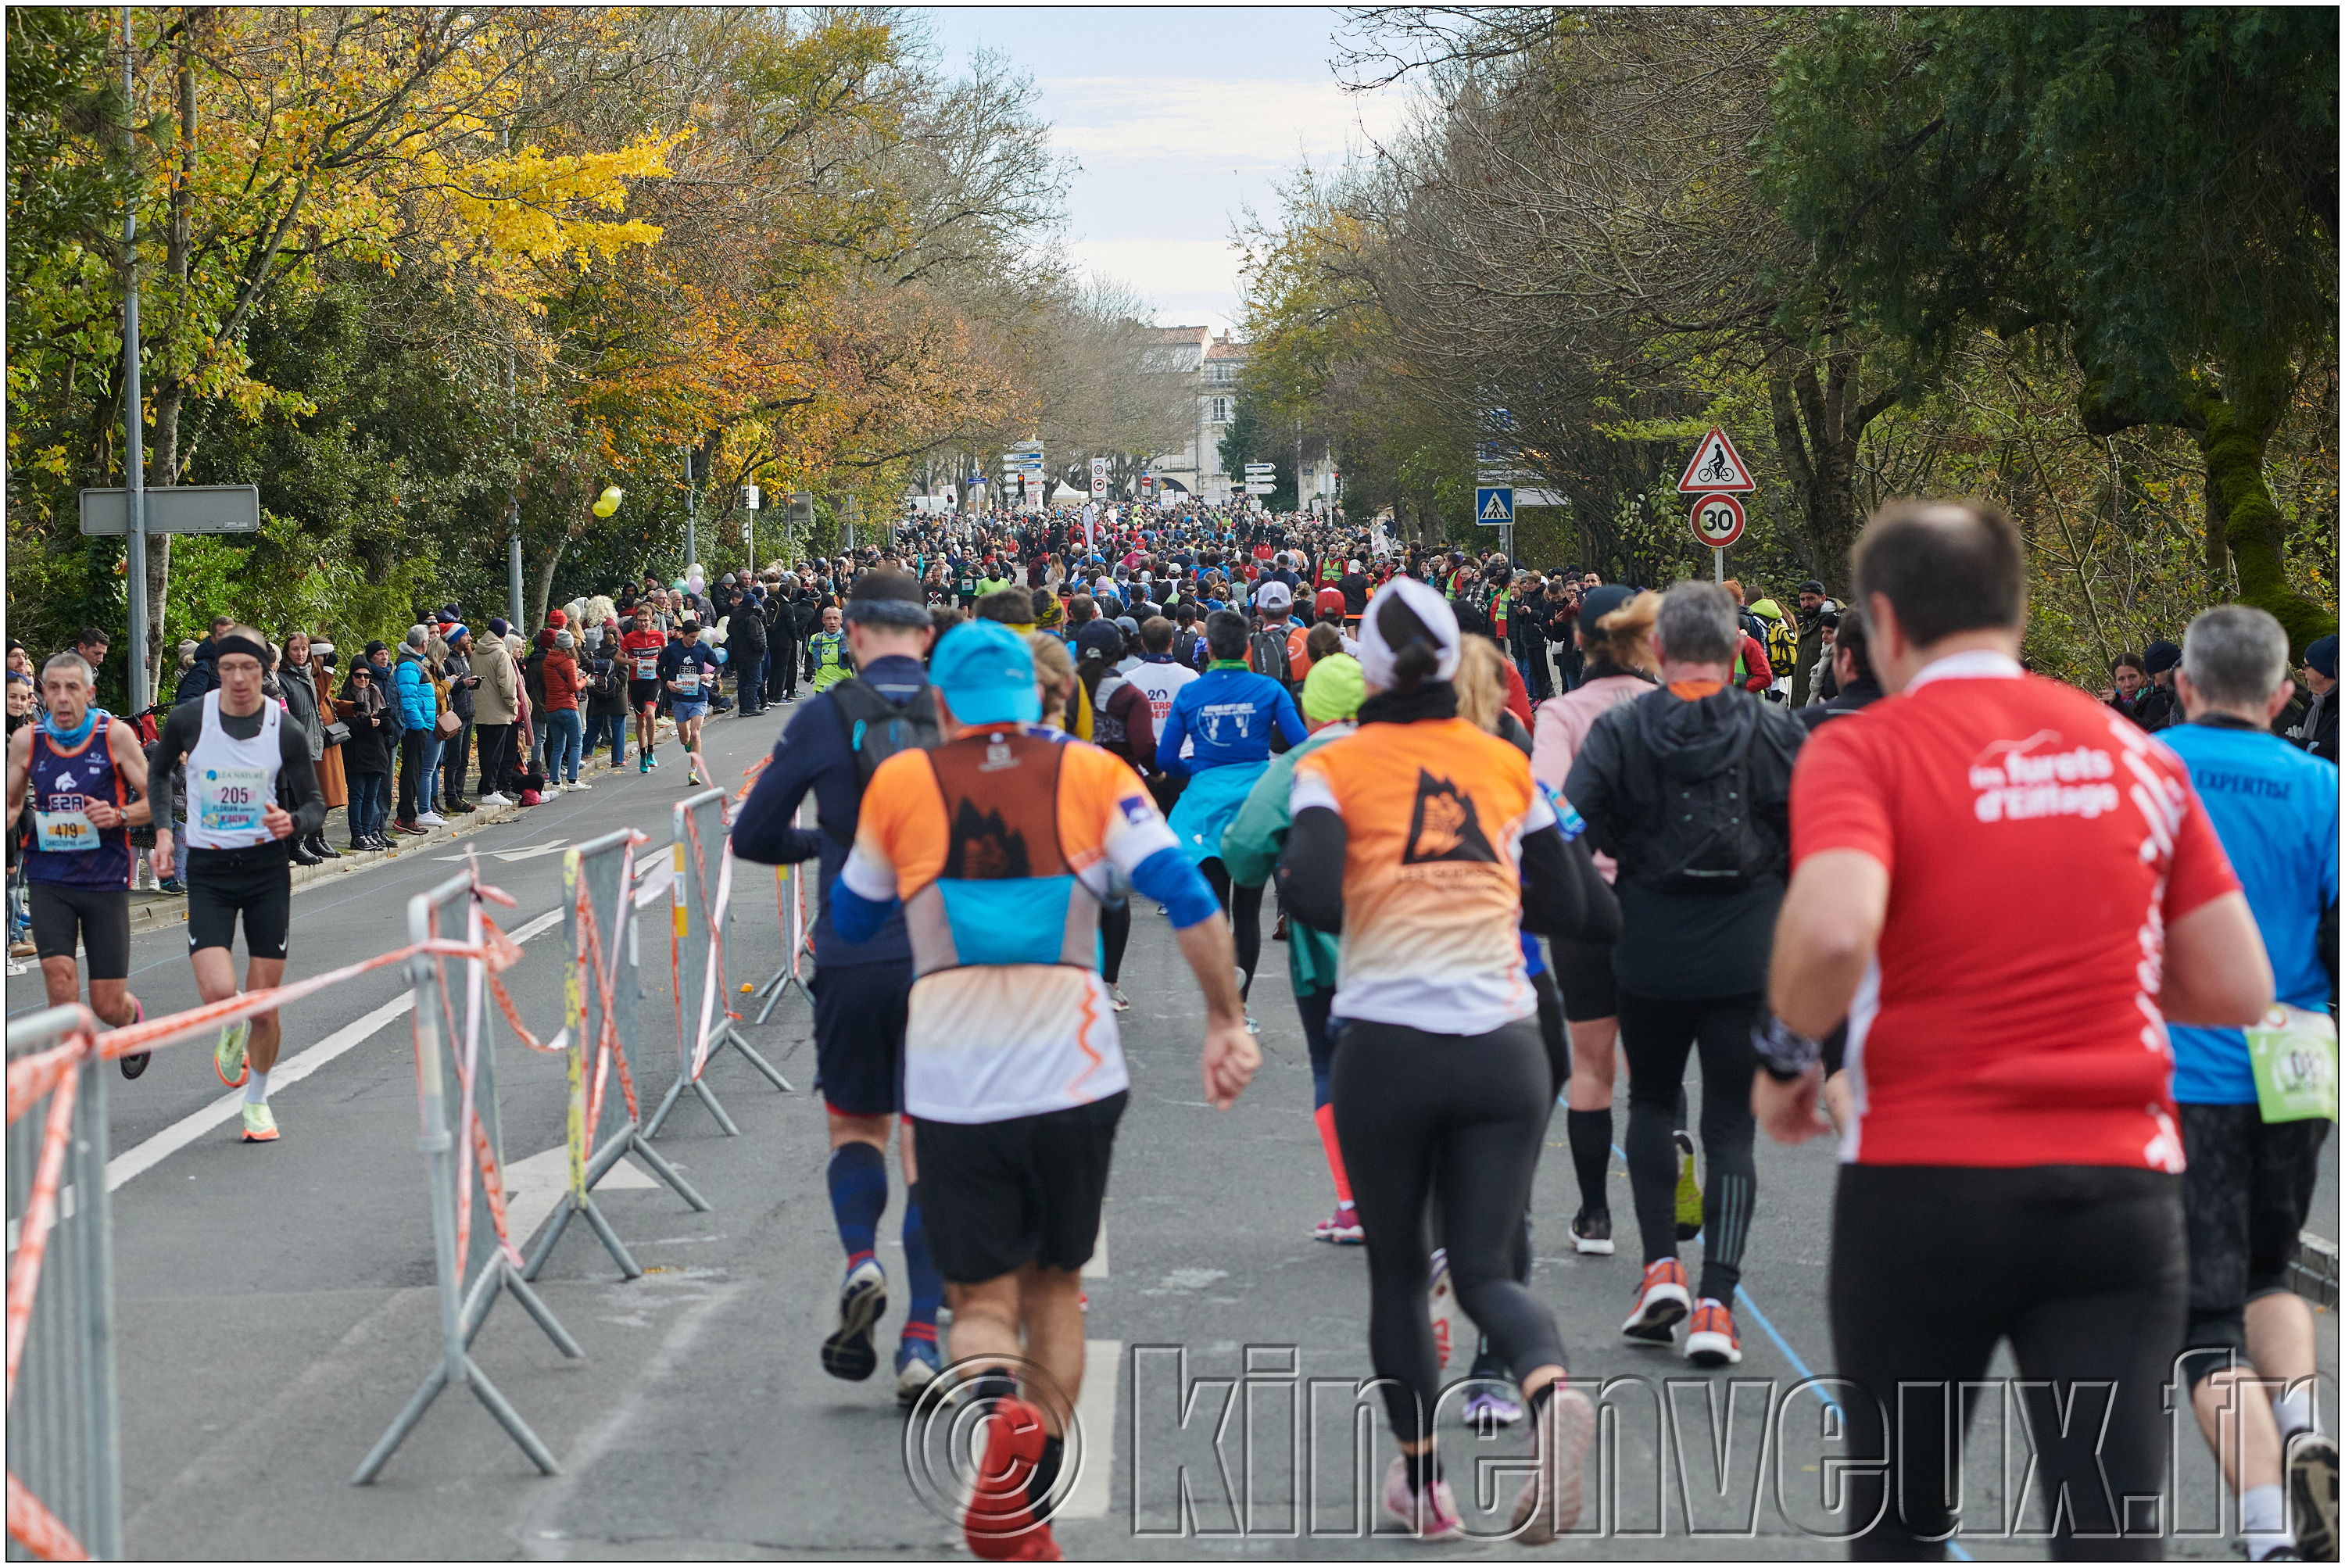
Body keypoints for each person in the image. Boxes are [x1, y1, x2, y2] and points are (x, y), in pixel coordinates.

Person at [1758, 499, 2272, 1559]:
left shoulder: (1869, 748)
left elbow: (1838, 924)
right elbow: (2234, 982)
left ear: (1884, 624)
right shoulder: (2138, 755)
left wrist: (1786, 1053)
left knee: (1902, 1521)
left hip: (1925, 1182)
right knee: (2109, 1531)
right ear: (2020, 610)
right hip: (2117, 1188)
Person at [829, 618, 1257, 1561]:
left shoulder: (905, 781)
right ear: (1034, 698)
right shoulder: (1093, 775)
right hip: (1073, 1062)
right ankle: (1027, 1494)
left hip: (949, 1067)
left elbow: (851, 917)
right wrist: (1224, 1020)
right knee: (1056, 1283)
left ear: (941, 704)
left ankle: (996, 1433)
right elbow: (1185, 894)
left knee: (979, 1297)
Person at [1276, 578, 1613, 1542]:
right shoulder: (1507, 758)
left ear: (1367, 669)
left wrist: (1380, 899)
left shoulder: (1332, 763)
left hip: (1388, 1039)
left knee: (1396, 1272)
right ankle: (1549, 1394)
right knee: (1483, 1266)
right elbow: (1566, 899)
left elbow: (1309, 886)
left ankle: (1423, 1486)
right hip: (1505, 1040)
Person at [1565, 580, 1806, 1366]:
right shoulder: (1776, 730)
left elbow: (1570, 823)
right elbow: (1808, 838)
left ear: (1659, 651)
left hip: (1648, 942)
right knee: (1731, 1124)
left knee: (1654, 1099)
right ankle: (1717, 1304)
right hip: (1746, 949)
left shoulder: (1623, 728)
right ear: (1740, 650)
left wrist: (1603, 896)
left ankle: (1659, 1266)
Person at [733, 575, 951, 1405]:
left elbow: (752, 832)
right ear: (924, 635)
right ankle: (922, 1341)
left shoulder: (826, 714)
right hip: (947, 953)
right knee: (930, 1141)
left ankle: (861, 1258)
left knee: (856, 1123)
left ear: (853, 633)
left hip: (855, 950)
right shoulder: (959, 712)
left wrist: (825, 846)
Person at [2158, 606, 2340, 1563]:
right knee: (2270, 1269)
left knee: (2202, 1313)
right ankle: (2305, 1418)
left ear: (2184, 683)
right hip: (2299, 1059)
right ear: (2279, 695)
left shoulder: (2146, 770)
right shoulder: (2324, 785)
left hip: (2185, 1065)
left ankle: (2271, 1524)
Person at [149, 625, 328, 1142]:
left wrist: (292, 824)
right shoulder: (190, 719)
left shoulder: (283, 728)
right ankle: (230, 1023)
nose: (240, 678)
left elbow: (314, 803)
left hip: (266, 872)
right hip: (208, 870)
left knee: (264, 1005)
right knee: (220, 990)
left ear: (263, 670)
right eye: (229, 668)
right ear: (217, 670)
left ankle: (257, 1102)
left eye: (250, 667)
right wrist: (163, 830)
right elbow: (158, 773)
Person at [1530, 585, 1660, 1255]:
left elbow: (1549, 798)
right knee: (1654, 1075)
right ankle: (1666, 1218)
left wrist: (1591, 842)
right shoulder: (1665, 707)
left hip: (1584, 904)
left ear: (1576, 640)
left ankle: (1595, 1218)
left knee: (1591, 1067)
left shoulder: (1561, 712)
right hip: (1660, 905)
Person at [1222, 651, 1367, 1244]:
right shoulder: (1418, 746)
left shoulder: (1308, 761)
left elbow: (1244, 849)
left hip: (1330, 949)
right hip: (1432, 941)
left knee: (1333, 1066)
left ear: (1312, 708)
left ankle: (1355, 1202)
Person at [5, 653, 156, 1078]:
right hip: (50, 876)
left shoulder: (115, 736)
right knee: (59, 982)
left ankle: (130, 1020)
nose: (62, 697)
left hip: (104, 879)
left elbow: (155, 799)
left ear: (89, 694)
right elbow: (13, 802)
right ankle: (70, 1092)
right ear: (42, 695)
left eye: (72, 688)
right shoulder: (27, 741)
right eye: (53, 688)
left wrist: (120, 816)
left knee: (107, 1002)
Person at [1156, 609, 1308, 1029]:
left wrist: (1200, 767)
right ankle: (1239, 1011)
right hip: (1255, 810)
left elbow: (1165, 758)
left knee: (1217, 913)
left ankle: (1220, 1008)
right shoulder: (1269, 689)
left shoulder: (1190, 694)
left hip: (1204, 811)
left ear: (1207, 648)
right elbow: (1301, 746)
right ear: (1246, 648)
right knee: (1249, 911)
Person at [274, 631, 337, 865]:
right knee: (293, 798)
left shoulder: (308, 675)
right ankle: (295, 845)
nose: (300, 654)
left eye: (303, 649)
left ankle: (305, 841)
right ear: (288, 654)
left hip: (312, 743)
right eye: (295, 650)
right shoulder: (284, 679)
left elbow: (314, 710)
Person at [391, 626, 441, 832]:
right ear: (423, 644)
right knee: (412, 772)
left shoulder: (413, 663)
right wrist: (419, 724)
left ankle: (408, 815)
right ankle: (405, 816)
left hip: (419, 725)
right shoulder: (410, 665)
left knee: (415, 770)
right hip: (414, 727)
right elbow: (407, 698)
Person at [661, 621, 719, 786]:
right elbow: (660, 668)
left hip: (699, 696)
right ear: (683, 635)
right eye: (692, 637)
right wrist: (668, 682)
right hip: (679, 698)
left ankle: (692, 773)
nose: (695, 640)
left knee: (695, 734)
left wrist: (711, 676)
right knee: (685, 738)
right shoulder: (672, 649)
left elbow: (718, 665)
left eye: (697, 637)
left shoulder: (702, 648)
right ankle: (688, 744)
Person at [2286, 633, 2338, 764]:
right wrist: (2308, 746)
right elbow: (2285, 736)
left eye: (2307, 666)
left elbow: (2326, 755)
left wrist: (2300, 742)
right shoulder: (2315, 703)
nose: (2303, 672)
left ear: (2323, 671)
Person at [1787, 580, 1828, 710]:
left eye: (1810, 598)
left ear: (1823, 598)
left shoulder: (1830, 625)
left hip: (1820, 703)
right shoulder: (1806, 624)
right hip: (1801, 701)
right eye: (1802, 599)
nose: (1806, 603)